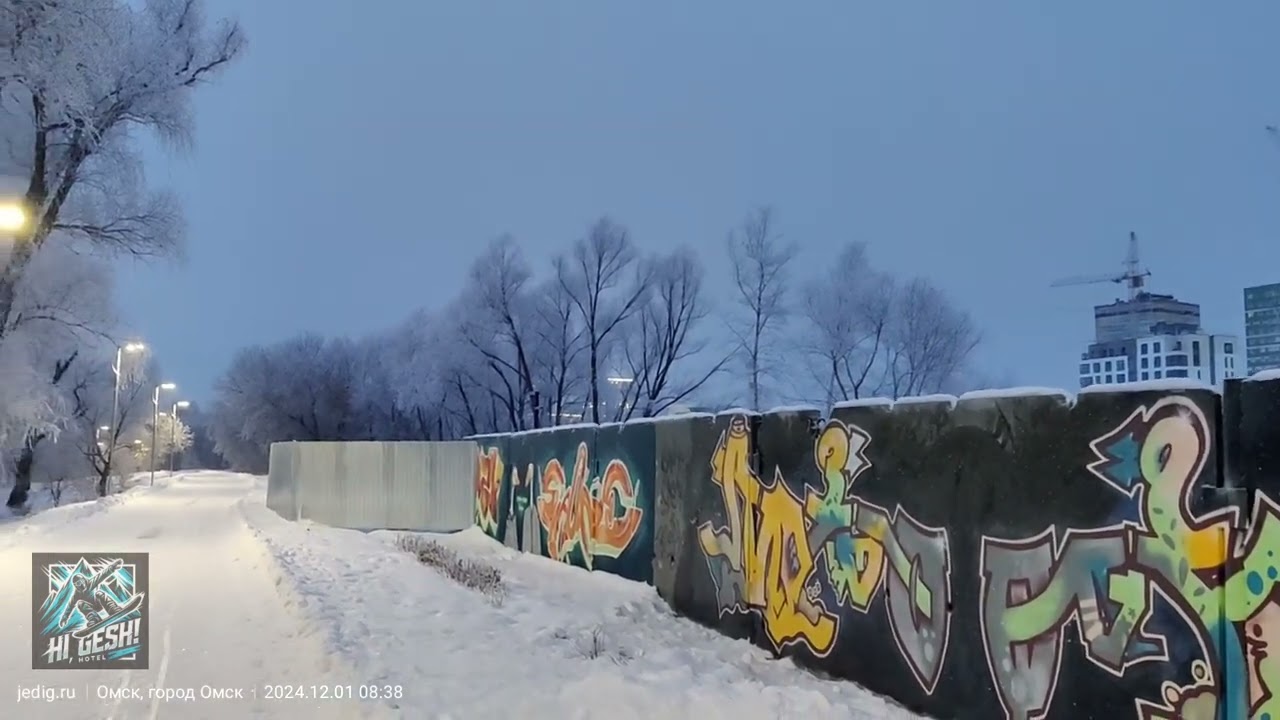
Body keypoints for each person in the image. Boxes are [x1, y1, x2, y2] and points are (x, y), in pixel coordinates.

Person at [57, 559, 125, 631]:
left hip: (100, 603)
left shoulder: (91, 583)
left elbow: (103, 575)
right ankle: (94, 619)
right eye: (77, 584)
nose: (81, 585)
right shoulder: (76, 594)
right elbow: (70, 606)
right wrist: (64, 618)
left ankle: (113, 609)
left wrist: (113, 567)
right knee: (80, 604)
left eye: (80, 582)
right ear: (75, 586)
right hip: (91, 608)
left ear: (84, 580)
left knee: (99, 593)